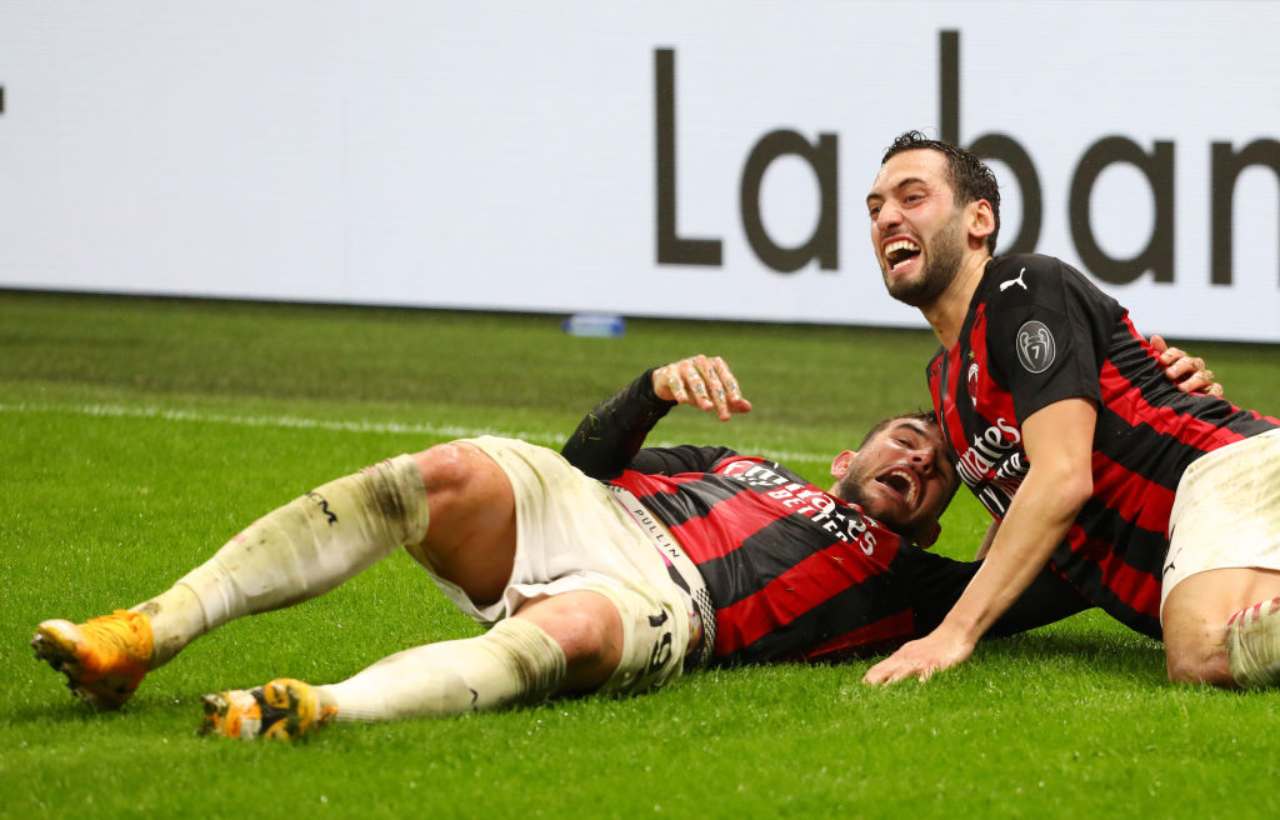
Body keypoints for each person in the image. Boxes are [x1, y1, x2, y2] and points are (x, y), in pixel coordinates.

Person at [31, 347, 1212, 740]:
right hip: (599, 509)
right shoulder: (729, 464)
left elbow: (1079, 543)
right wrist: (650, 387)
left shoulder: (918, 583)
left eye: (937, 471)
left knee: (580, 627)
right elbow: (581, 464)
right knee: (434, 475)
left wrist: (1147, 403)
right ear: (843, 458)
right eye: (903, 441)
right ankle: (149, 629)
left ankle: (324, 706)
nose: (917, 462)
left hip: (672, 604)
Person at [861, 130, 1280, 689]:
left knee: (1200, 649)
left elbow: (1061, 478)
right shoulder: (945, 383)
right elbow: (1025, 520)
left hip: (1227, 472)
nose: (888, 217)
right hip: (1207, 522)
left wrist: (954, 633)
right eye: (875, 207)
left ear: (978, 220)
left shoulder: (1023, 288)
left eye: (912, 198)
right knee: (1223, 639)